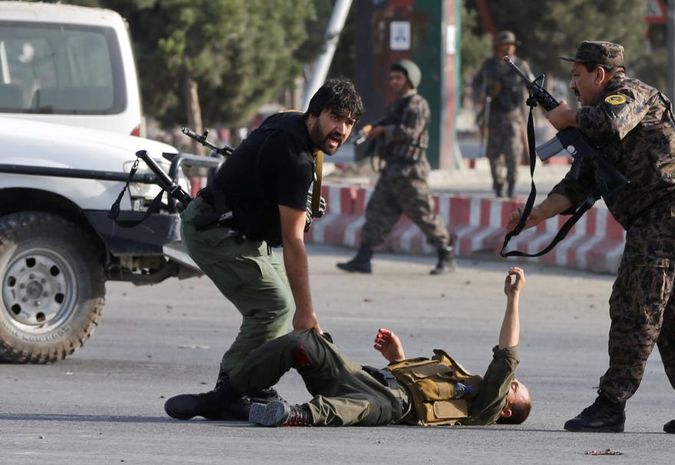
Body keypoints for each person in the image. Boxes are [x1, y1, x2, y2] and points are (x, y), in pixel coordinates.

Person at [506, 41, 675, 435]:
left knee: (633, 308)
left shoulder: (629, 94)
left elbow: (608, 121)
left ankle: (610, 404)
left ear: (600, 74)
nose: (572, 85)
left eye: (577, 76)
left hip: (667, 216)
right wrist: (534, 215)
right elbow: (580, 182)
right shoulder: (597, 125)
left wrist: (568, 117)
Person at [164, 79, 364, 420]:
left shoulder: (290, 122)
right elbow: (293, 240)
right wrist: (306, 312)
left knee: (278, 304)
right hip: (214, 231)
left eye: (349, 123)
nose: (341, 130)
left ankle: (249, 383)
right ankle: (231, 388)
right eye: (335, 118)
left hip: (236, 227)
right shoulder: (296, 159)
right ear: (314, 114)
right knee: (275, 306)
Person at [177, 267, 531, 428]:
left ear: (505, 411)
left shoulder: (485, 408)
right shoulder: (456, 378)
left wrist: (513, 298)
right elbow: (416, 383)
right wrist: (398, 359)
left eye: (514, 389)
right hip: (365, 377)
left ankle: (293, 415)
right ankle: (227, 396)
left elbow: (507, 358)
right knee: (304, 340)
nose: (511, 383)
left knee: (359, 408)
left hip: (392, 405)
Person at [336, 60, 456, 275]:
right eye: (392, 78)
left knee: (424, 215)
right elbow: (388, 123)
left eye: (398, 78)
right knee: (376, 212)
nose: (393, 82)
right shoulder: (397, 104)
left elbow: (411, 132)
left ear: (410, 80)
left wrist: (384, 131)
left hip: (410, 173)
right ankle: (363, 258)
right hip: (392, 171)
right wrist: (373, 129)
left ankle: (446, 256)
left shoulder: (416, 104)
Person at [472, 31, 532, 198]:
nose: (508, 48)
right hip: (493, 114)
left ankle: (511, 183)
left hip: (513, 114)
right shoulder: (489, 65)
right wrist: (482, 94)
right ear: (498, 47)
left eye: (511, 45)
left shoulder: (521, 65)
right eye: (505, 45)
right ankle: (498, 185)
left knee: (513, 151)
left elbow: (531, 85)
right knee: (494, 153)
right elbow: (476, 84)